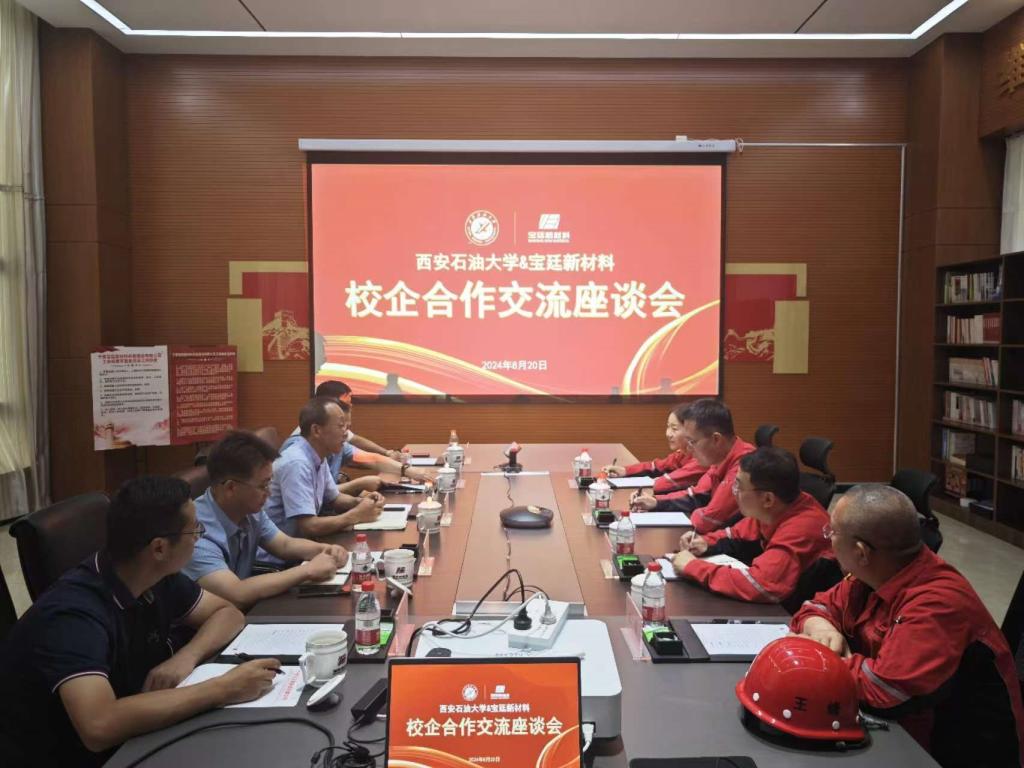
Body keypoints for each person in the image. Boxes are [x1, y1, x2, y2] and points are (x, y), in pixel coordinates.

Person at [0, 476, 281, 767]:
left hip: (134, 738)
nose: (200, 536)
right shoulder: (72, 615)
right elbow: (99, 725)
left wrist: (186, 657)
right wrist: (223, 689)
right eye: (194, 529)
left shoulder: (152, 574)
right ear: (159, 548)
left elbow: (228, 613)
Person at [792, 484, 1024, 768]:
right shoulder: (872, 574)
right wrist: (822, 629)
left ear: (861, 552)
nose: (828, 539)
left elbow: (882, 690)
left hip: (956, 753)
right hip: (902, 732)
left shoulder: (937, 603)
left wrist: (818, 658)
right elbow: (815, 607)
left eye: (833, 532)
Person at [183, 430, 350, 610]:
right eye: (263, 485)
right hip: (212, 619)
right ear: (231, 488)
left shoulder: (248, 509)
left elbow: (284, 545)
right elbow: (236, 593)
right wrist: (308, 570)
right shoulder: (194, 533)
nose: (269, 493)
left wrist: (325, 550)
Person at [671, 447, 836, 610]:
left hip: (794, 613)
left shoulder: (802, 527)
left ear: (768, 499)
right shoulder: (774, 509)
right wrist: (706, 542)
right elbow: (736, 533)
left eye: (739, 486)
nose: (734, 492)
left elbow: (761, 585)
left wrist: (693, 567)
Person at [263, 397, 384, 552]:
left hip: (305, 547)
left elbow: (334, 498)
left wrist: (361, 502)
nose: (346, 434)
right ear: (316, 430)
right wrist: (355, 515)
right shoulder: (297, 463)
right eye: (340, 426)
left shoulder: (319, 454)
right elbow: (309, 526)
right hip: (281, 558)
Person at [281, 381, 433, 494]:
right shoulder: (298, 458)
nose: (345, 433)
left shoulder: (334, 437)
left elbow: (369, 458)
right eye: (341, 426)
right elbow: (313, 509)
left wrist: (406, 469)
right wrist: (357, 487)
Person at [630, 398, 754, 533]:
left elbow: (707, 520)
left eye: (692, 441)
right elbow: (696, 495)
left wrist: (696, 512)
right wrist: (655, 502)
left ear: (716, 439)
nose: (689, 449)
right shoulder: (719, 458)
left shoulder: (744, 466)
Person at [601, 403, 704, 494]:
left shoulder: (701, 460)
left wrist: (657, 480)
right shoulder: (683, 453)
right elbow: (656, 466)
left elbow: (665, 483)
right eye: (668, 427)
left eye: (674, 429)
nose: (668, 434)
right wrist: (625, 471)